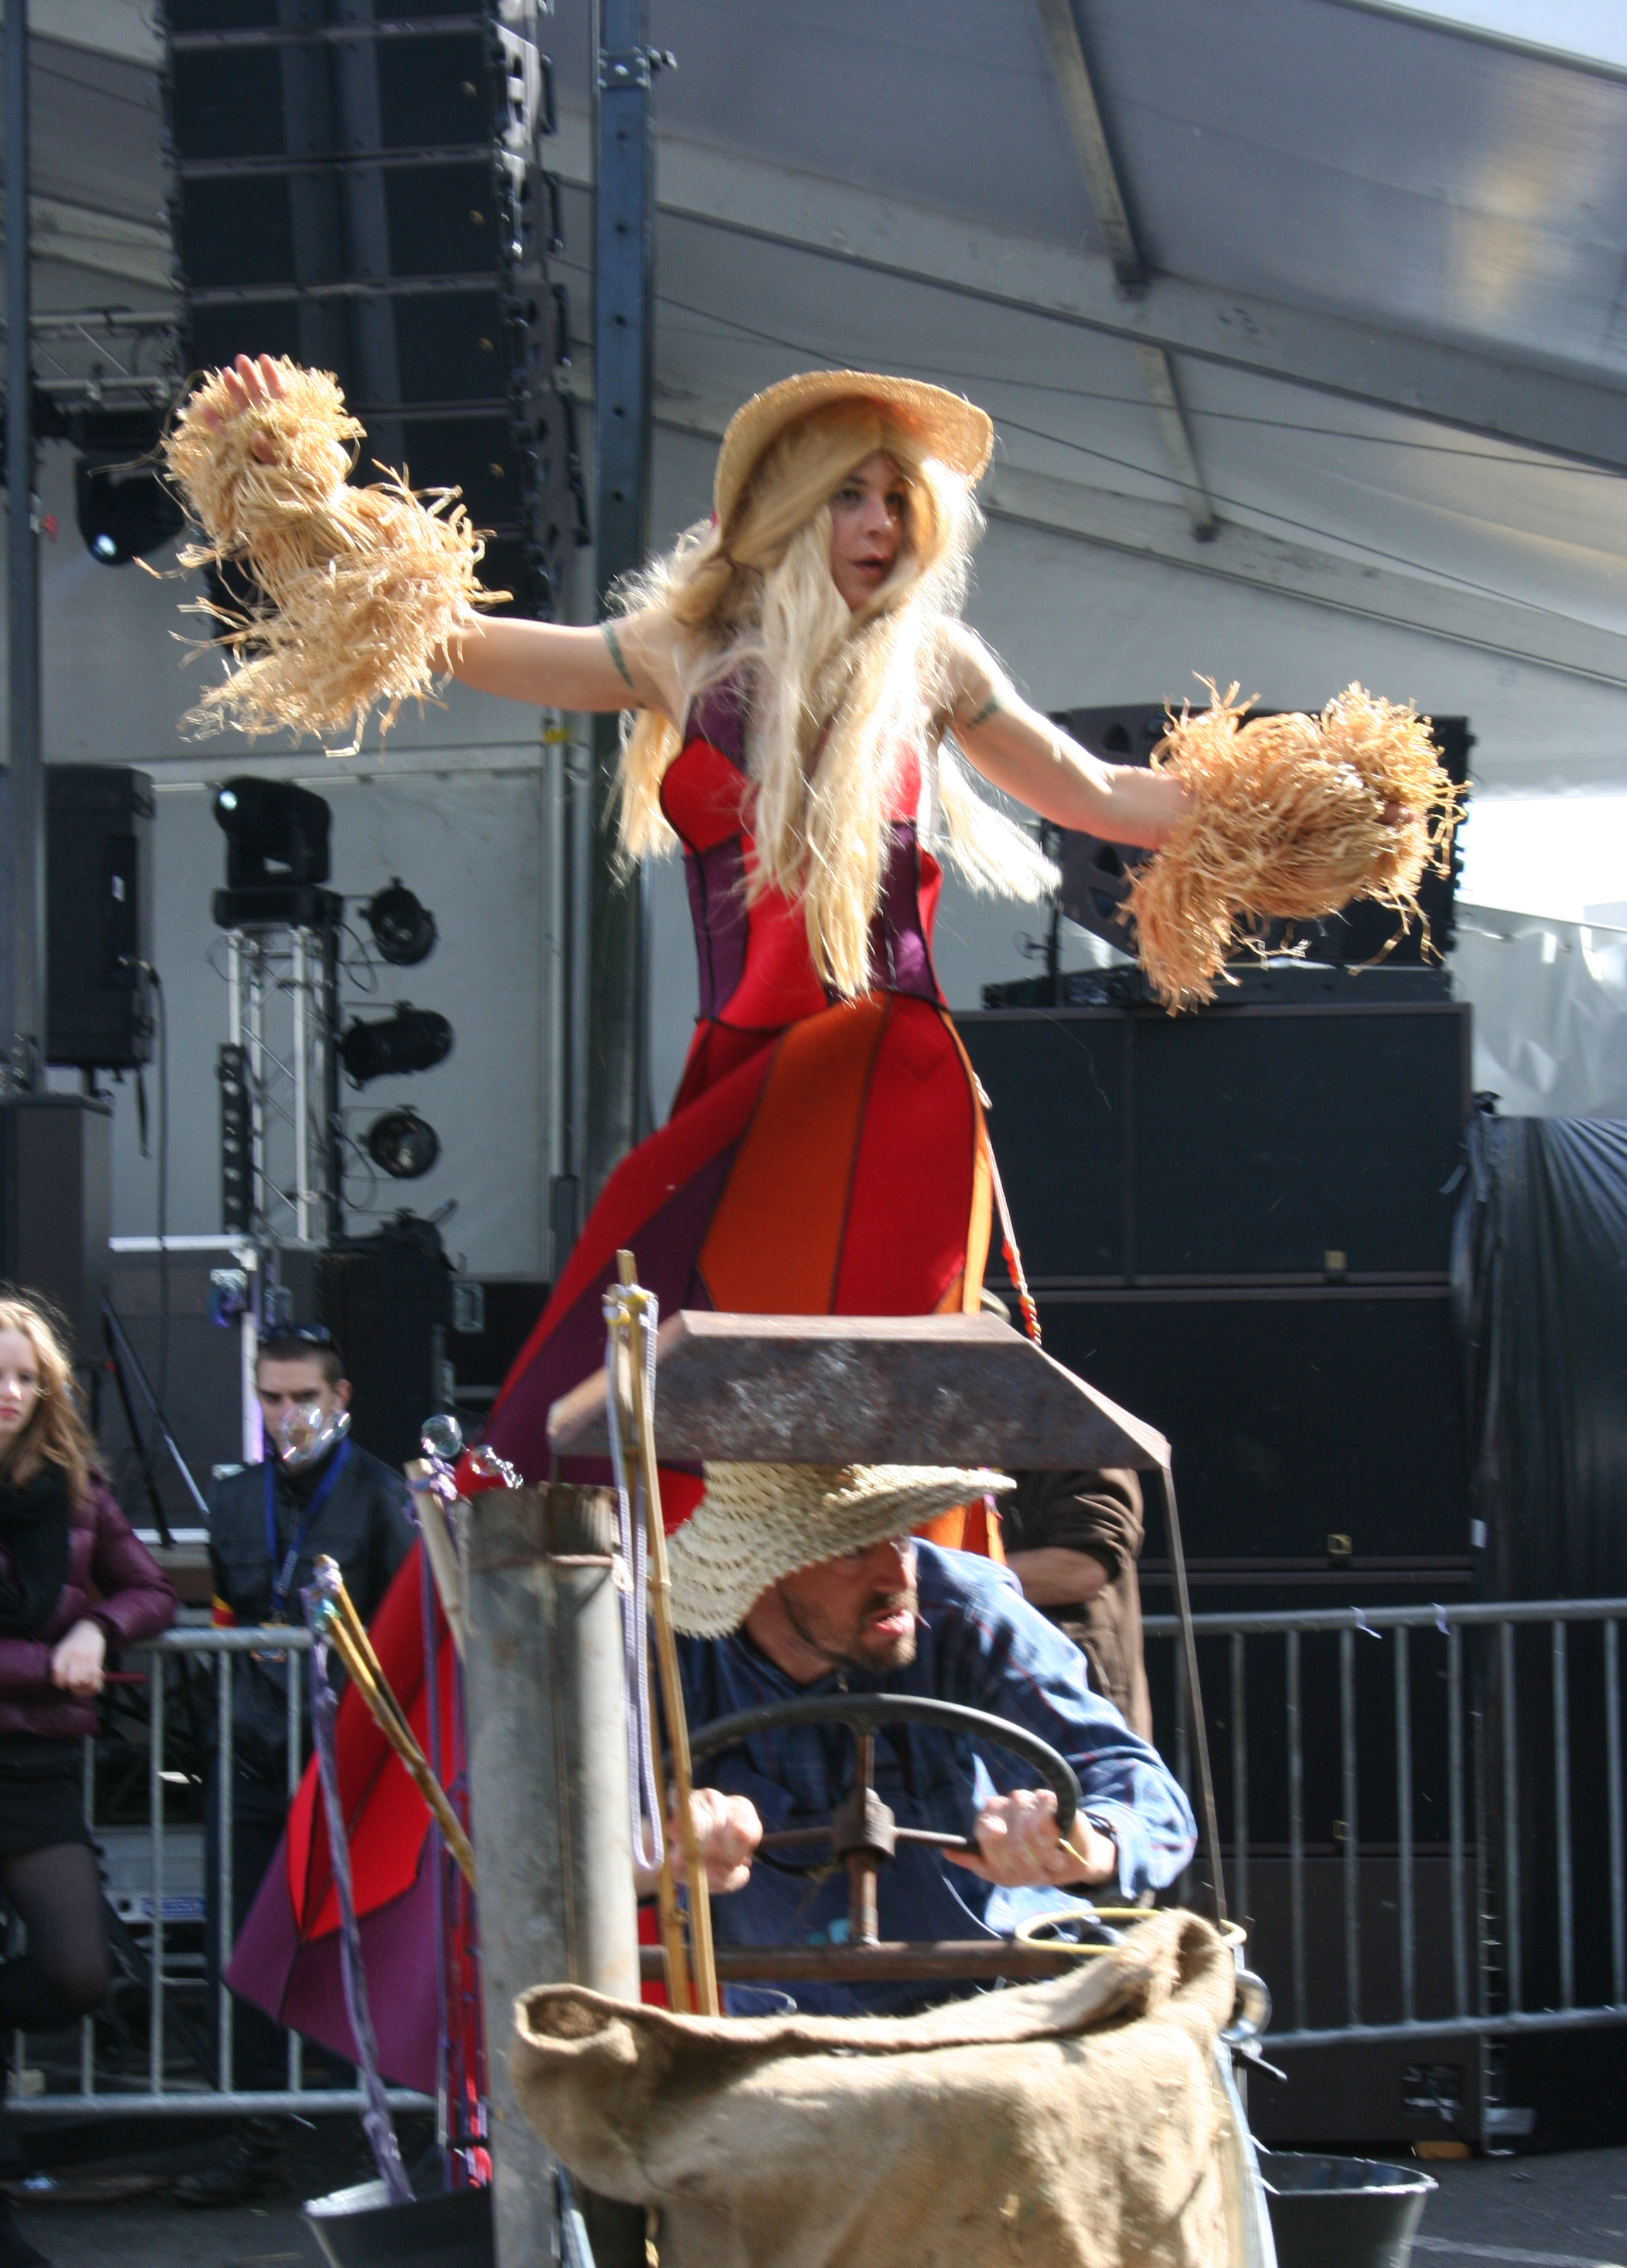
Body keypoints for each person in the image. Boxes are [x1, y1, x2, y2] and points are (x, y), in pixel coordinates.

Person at [189, 354, 1208, 2071]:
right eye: (852, 493)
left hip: (889, 1103)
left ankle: (947, 1873)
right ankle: (460, 1916)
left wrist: (1307, 800)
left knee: (885, 1461)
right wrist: (298, 502)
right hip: (752, 1095)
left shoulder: (937, 664)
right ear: (780, 513)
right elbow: (442, 635)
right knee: (556, 1452)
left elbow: (1112, 804)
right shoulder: (689, 651)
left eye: (901, 496)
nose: (880, 523)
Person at [651, 1460, 1195, 2017]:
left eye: (902, 1535)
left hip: (1013, 2006)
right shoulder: (669, 1652)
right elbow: (575, 1848)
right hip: (783, 2030)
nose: (899, 1576)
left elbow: (1150, 1798)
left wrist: (1086, 1842)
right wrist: (661, 1846)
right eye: (852, 1548)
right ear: (759, 1568)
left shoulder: (966, 1610)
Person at [185, 1326, 415, 2199]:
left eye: (303, 1399)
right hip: (249, 1756)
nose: (287, 1417)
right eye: (271, 1399)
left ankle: (379, 2134)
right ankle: (250, 2139)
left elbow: (405, 1634)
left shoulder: (383, 1497)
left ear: (341, 1397)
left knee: (363, 1944)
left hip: (346, 1763)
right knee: (239, 1950)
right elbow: (220, 1616)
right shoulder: (237, 1501)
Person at [0, 1293, 175, 2268]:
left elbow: (147, 1586)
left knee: (77, 1972)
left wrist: (97, 1629)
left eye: (28, 1377)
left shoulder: (73, 1488)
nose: (13, 1393)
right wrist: (44, 1660)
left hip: (38, 1771)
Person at [997, 1469, 1152, 1743]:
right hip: (1008, 1705)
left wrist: (942, 1574)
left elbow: (1084, 1568)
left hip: (1078, 1714)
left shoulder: (1077, 1430)